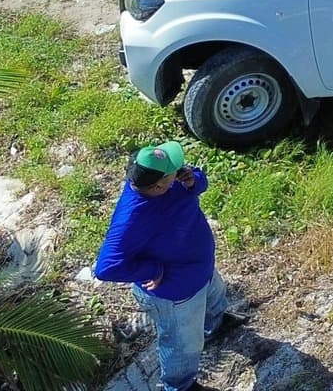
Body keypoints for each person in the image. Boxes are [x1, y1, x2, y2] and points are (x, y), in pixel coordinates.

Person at [93, 142, 242, 391]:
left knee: (215, 298)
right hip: (176, 295)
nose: (181, 168)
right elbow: (106, 267)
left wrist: (194, 180)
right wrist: (153, 271)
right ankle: (180, 386)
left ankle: (215, 325)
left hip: (201, 269)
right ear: (158, 186)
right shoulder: (132, 217)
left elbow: (199, 185)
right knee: (182, 346)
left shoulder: (173, 182)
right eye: (174, 169)